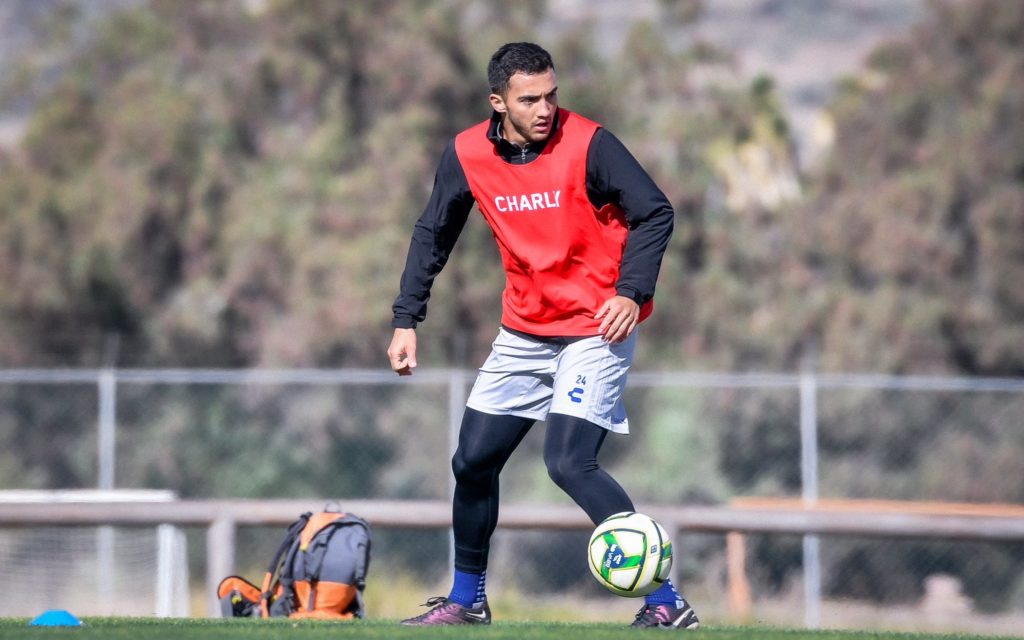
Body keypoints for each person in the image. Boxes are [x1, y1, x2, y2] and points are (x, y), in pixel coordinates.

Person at [387, 42, 698, 630]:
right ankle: (467, 600)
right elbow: (433, 232)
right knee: (472, 462)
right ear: (497, 102)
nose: (545, 108)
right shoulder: (467, 153)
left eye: (551, 95)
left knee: (569, 463)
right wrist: (407, 318)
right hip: (525, 330)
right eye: (530, 99)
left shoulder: (589, 143)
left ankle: (666, 603)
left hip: (595, 327)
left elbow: (655, 211)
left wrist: (630, 292)